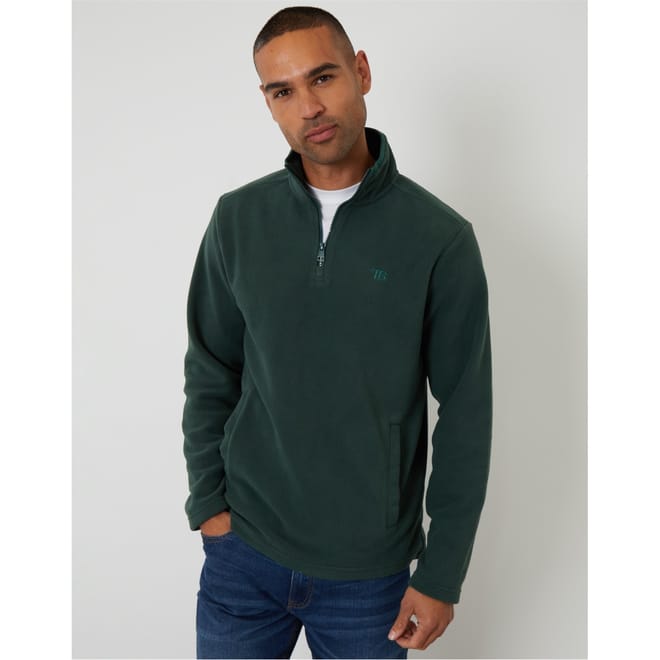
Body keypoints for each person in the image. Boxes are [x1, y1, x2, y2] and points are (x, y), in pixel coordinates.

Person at [182, 6, 492, 659]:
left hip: (369, 579)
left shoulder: (439, 238)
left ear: (361, 72)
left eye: (322, 77)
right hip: (244, 556)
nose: (309, 107)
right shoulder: (238, 219)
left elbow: (466, 412)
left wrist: (441, 574)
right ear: (268, 103)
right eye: (283, 91)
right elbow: (211, 367)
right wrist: (209, 504)